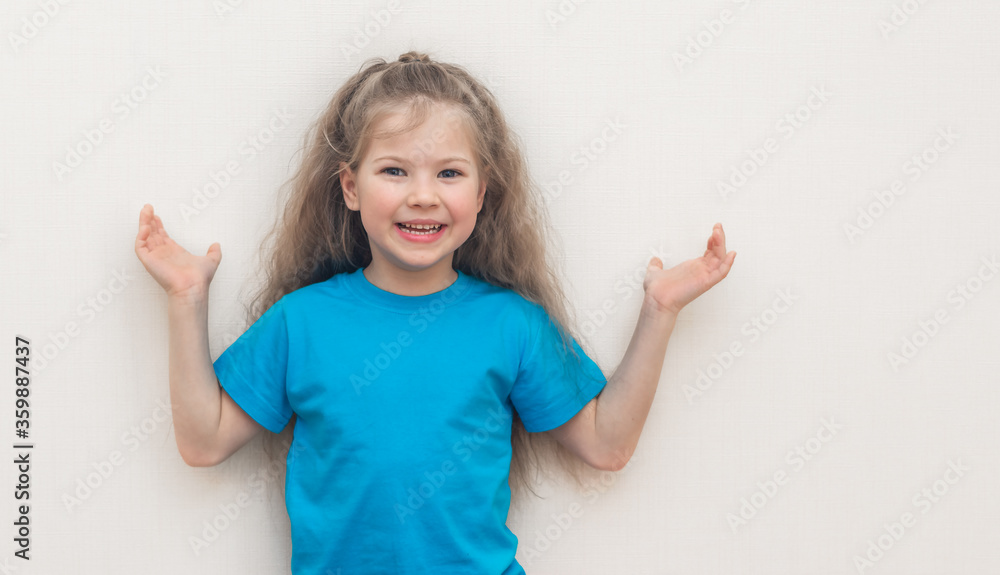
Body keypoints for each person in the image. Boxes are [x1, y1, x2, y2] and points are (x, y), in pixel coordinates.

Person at [134, 50, 735, 575]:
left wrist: (660, 310)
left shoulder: (511, 324)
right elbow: (204, 441)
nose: (423, 193)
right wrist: (185, 298)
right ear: (350, 188)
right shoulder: (301, 322)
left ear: (481, 193)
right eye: (394, 170)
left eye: (449, 172)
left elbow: (606, 445)